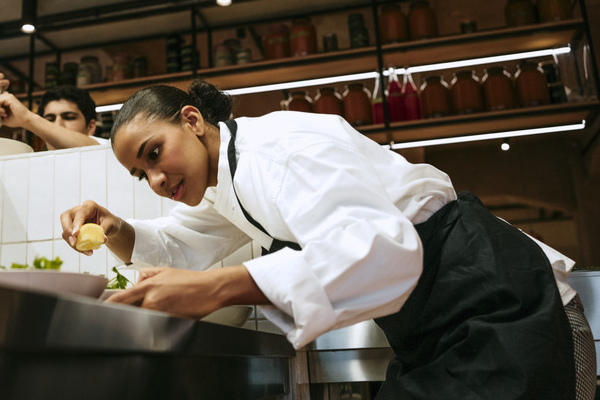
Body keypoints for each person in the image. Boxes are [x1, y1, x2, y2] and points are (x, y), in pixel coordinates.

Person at [60, 80, 595, 399]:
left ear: (193, 121)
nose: (155, 180)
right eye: (140, 174)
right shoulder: (230, 178)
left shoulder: (277, 154)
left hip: (505, 309)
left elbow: (380, 249)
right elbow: (181, 246)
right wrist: (115, 229)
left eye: (154, 154)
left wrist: (217, 289)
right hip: (438, 334)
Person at [0, 68, 104, 149]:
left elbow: (95, 148)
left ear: (91, 127)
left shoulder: (108, 153)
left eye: (69, 117)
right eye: (49, 119)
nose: (57, 125)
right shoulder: (29, 160)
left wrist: (27, 118)